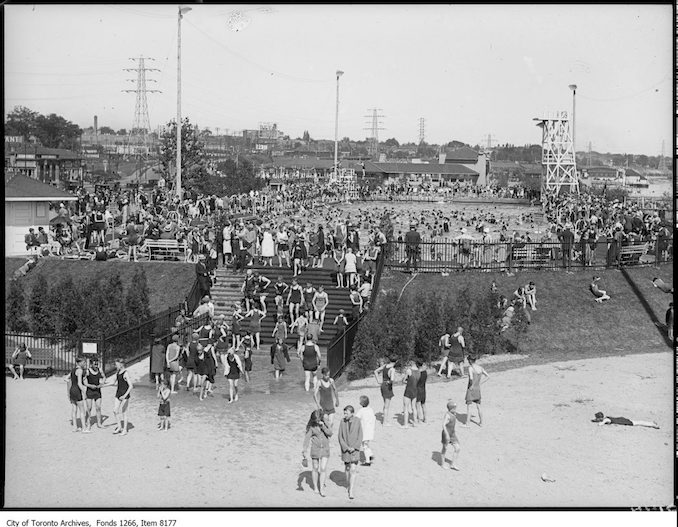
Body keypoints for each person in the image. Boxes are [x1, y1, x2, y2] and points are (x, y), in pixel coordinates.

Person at [301, 409, 333, 497]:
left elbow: (330, 433)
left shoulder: (325, 423)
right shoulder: (312, 427)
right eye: (316, 420)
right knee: (315, 467)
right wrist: (304, 450)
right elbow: (307, 439)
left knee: (323, 468)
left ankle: (321, 488)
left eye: (318, 420)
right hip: (315, 449)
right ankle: (315, 487)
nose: (317, 422)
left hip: (325, 449)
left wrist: (323, 427)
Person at [338, 405, 363, 500]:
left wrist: (355, 447)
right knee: (347, 468)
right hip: (346, 450)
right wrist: (346, 447)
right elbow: (340, 436)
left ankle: (351, 490)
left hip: (355, 450)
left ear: (352, 413)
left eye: (346, 413)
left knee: (353, 469)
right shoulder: (342, 421)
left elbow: (360, 435)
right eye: (344, 413)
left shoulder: (358, 421)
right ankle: (348, 484)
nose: (345, 415)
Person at [104, 358, 133, 436]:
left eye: (117, 365)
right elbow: (113, 382)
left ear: (121, 365)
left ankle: (125, 430)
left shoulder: (126, 373)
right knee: (115, 410)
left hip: (125, 395)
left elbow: (131, 386)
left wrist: (124, 396)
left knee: (124, 412)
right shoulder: (118, 372)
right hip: (118, 393)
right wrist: (103, 386)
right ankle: (119, 427)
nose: (116, 366)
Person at [464, 356, 489, 427]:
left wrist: (471, 385)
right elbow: (488, 376)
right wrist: (480, 383)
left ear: (470, 361)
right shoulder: (480, 368)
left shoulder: (470, 368)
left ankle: (467, 423)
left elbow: (471, 378)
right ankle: (481, 422)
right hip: (477, 388)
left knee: (469, 407)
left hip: (471, 389)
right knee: (479, 406)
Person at [66, 356, 87, 433]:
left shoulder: (73, 370)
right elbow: (79, 383)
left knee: (74, 409)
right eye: (84, 362)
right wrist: (84, 392)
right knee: (82, 410)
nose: (85, 363)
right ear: (80, 363)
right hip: (77, 390)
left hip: (72, 389)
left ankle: (75, 427)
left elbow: (66, 378)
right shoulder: (80, 370)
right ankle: (84, 428)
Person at [83, 357, 105, 430]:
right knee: (89, 408)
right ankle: (88, 422)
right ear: (91, 364)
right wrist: (90, 385)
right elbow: (84, 382)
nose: (96, 365)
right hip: (89, 391)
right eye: (95, 364)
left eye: (97, 363)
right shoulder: (87, 371)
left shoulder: (100, 370)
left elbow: (104, 377)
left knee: (98, 407)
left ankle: (99, 423)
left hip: (97, 391)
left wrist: (102, 383)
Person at [373, 357, 395, 426]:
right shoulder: (392, 369)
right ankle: (385, 422)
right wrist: (390, 382)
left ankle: (385, 419)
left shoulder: (384, 366)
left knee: (385, 403)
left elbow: (375, 371)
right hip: (387, 386)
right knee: (387, 405)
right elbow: (392, 379)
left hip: (382, 385)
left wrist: (378, 381)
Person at [440, 400, 461, 471]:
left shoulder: (454, 414)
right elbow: (443, 425)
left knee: (457, 448)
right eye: (454, 408)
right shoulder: (447, 415)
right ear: (450, 409)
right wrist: (446, 435)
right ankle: (442, 464)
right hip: (446, 434)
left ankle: (453, 464)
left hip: (452, 434)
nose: (455, 409)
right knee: (445, 448)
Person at [355, 395, 376, 466]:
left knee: (365, 446)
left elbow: (356, 418)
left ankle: (367, 461)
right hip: (370, 430)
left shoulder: (361, 411)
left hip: (364, 431)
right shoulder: (371, 409)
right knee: (366, 444)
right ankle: (370, 455)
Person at [402, 361, 420, 428]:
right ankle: (415, 422)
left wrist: (406, 381)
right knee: (414, 407)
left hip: (409, 389)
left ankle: (406, 424)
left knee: (406, 407)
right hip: (415, 389)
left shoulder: (409, 370)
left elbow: (404, 380)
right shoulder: (418, 371)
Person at [591, 411, 659, 428]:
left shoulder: (606, 419)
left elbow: (601, 423)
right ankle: (651, 423)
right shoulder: (607, 418)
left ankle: (652, 424)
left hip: (624, 421)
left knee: (639, 423)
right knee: (638, 422)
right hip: (622, 419)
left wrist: (600, 423)